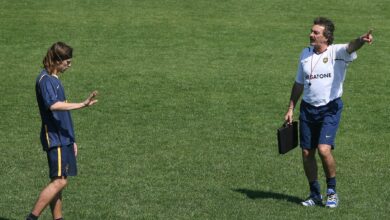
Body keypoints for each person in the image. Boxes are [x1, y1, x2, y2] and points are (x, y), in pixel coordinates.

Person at [284, 17, 373, 208]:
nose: (311, 34)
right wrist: (291, 107)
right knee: (307, 152)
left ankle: (332, 192)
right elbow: (299, 83)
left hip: (330, 109)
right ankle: (315, 194)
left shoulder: (336, 52)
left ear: (327, 37)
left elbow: (351, 46)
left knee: (324, 150)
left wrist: (361, 39)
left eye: (316, 32)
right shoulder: (305, 53)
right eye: (311, 31)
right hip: (308, 109)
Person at [26, 42, 98, 220]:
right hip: (55, 137)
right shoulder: (45, 80)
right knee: (60, 181)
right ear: (57, 60)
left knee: (58, 181)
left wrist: (71, 139)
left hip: (63, 138)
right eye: (67, 62)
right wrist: (82, 104)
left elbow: (63, 114)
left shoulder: (54, 80)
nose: (69, 65)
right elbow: (53, 106)